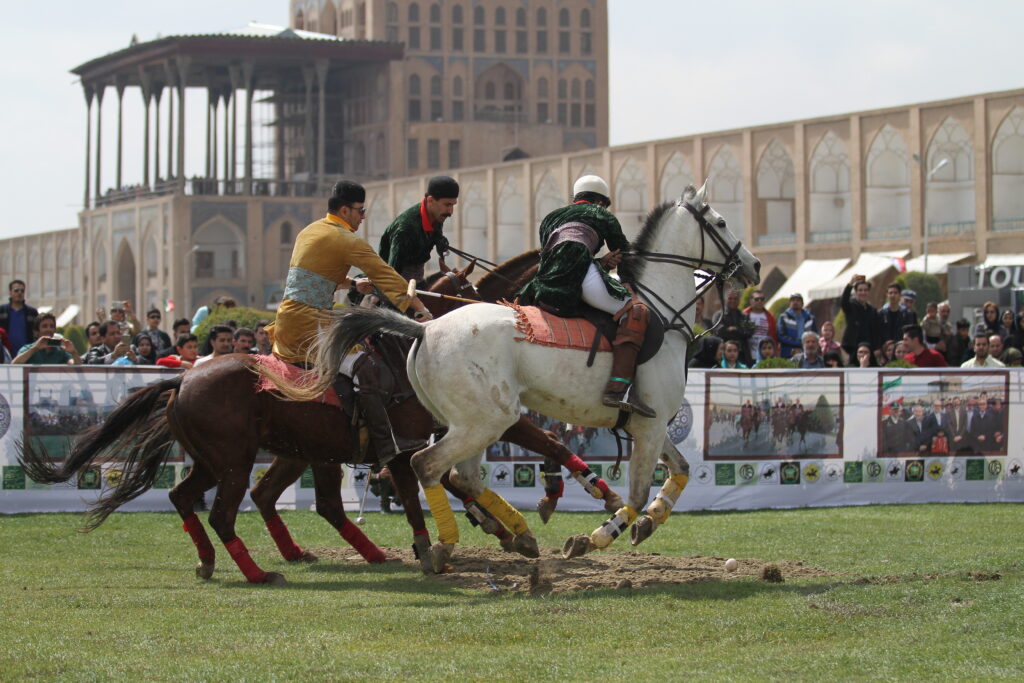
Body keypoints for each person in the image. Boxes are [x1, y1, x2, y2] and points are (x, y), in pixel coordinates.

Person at [265, 180, 430, 462]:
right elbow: (384, 273)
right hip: (310, 325)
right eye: (360, 210)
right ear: (345, 210)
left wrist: (353, 283)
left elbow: (315, 276)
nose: (363, 216)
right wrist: (419, 309)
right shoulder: (346, 239)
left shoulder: (311, 230)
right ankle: (385, 448)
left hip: (290, 320)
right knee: (365, 367)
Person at [516, 174, 656, 417]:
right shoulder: (601, 214)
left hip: (543, 285)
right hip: (577, 280)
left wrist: (600, 263)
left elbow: (561, 258)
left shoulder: (551, 217)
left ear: (577, 199)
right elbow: (624, 251)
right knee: (635, 312)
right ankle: (619, 389)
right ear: (600, 202)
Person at [378, 175, 458, 282]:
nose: (450, 211)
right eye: (447, 205)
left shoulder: (437, 216)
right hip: (394, 280)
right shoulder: (405, 228)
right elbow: (393, 273)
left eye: (453, 205)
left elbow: (436, 237)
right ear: (430, 200)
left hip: (417, 279)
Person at [840, 274, 880, 366]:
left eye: (865, 290)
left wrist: (877, 347)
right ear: (856, 292)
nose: (863, 293)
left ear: (869, 292)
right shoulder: (851, 306)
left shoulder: (872, 310)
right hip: (852, 348)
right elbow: (844, 301)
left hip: (869, 349)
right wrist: (850, 284)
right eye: (860, 290)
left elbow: (876, 330)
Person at [12, 313, 81, 365]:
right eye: (44, 326)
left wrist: (73, 352)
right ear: (36, 331)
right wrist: (35, 348)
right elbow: (14, 364)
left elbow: (77, 367)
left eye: (52, 326)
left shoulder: (60, 350)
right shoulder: (28, 348)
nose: (49, 329)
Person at [0, 280, 39, 354]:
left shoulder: (32, 312)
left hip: (27, 354)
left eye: (22, 290)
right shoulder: (1, 311)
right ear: (10, 292)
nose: (19, 293)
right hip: (5, 354)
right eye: (16, 290)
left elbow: (37, 333)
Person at [717, 289, 752, 365]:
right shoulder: (718, 315)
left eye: (735, 298)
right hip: (724, 356)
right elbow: (719, 332)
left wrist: (735, 329)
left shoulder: (745, 316)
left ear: (739, 300)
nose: (733, 301)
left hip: (743, 356)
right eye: (730, 298)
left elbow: (749, 332)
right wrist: (740, 332)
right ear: (725, 299)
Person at [743, 289, 777, 363]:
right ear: (751, 301)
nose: (759, 301)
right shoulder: (744, 315)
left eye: (762, 299)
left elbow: (774, 337)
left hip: (765, 356)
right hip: (748, 355)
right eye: (756, 299)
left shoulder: (770, 316)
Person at [777, 293, 815, 359]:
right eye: (793, 300)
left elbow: (814, 334)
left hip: (807, 353)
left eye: (798, 300)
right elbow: (781, 336)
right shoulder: (784, 317)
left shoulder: (810, 318)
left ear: (802, 303)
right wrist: (799, 343)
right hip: (788, 353)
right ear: (790, 303)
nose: (795, 302)